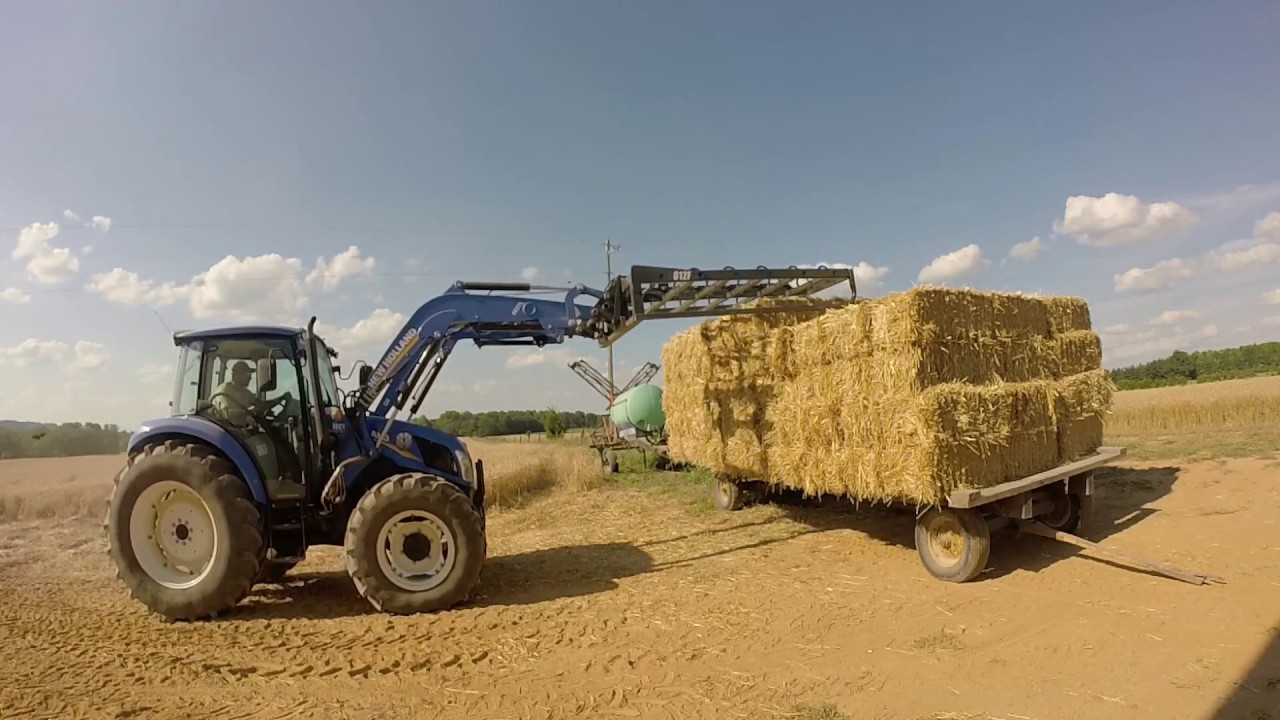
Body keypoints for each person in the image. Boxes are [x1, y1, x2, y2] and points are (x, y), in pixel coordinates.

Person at [214, 361, 259, 425]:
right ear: (237, 375)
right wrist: (247, 412)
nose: (250, 378)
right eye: (247, 374)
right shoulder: (224, 390)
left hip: (242, 430)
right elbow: (225, 414)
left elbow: (256, 404)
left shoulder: (247, 393)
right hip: (226, 429)